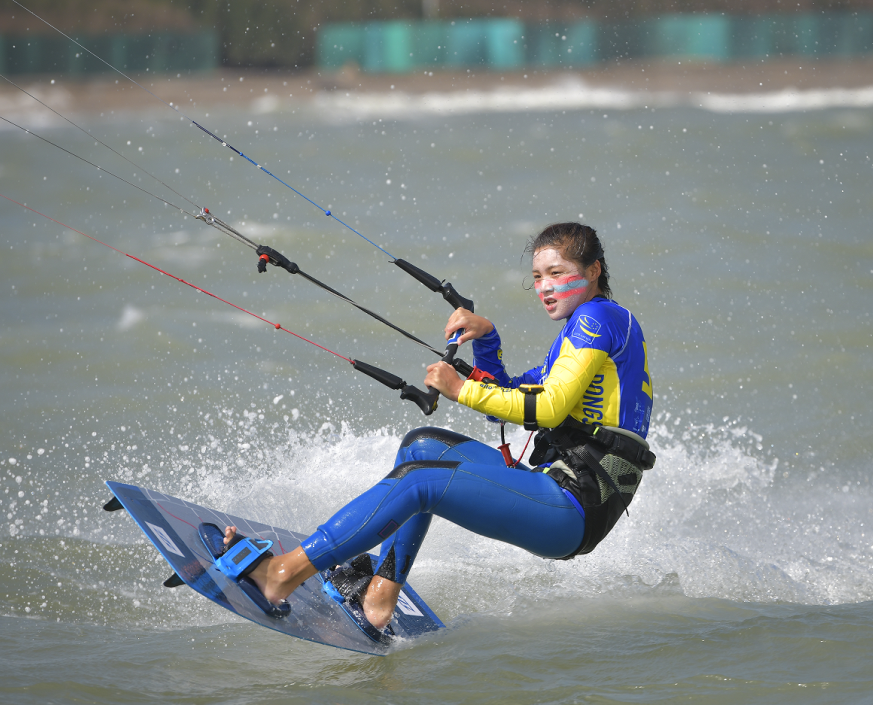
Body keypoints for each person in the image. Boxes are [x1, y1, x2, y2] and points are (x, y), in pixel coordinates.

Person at [203, 222, 654, 633]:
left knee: (421, 483)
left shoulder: (599, 319)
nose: (544, 287)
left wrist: (459, 390)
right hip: (556, 490)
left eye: (556, 273)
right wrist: (488, 340)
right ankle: (380, 596)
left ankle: (283, 574)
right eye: (537, 277)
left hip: (576, 505)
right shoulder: (584, 330)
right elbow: (507, 404)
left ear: (593, 270)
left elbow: (549, 409)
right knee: (422, 448)